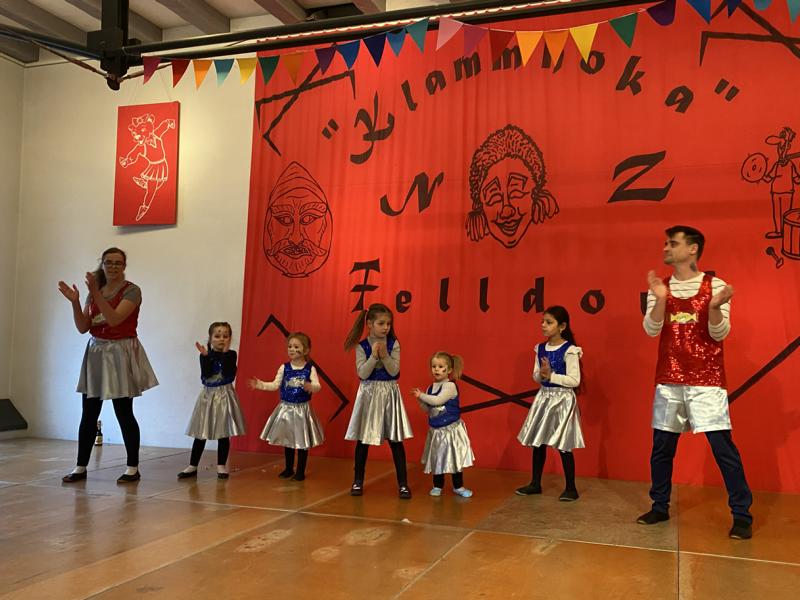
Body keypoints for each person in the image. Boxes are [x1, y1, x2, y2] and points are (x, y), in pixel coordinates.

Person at [637, 225, 753, 540]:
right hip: (669, 378)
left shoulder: (715, 285)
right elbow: (651, 329)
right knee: (662, 449)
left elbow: (720, 333)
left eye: (672, 243)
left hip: (707, 380)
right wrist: (660, 300)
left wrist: (713, 308)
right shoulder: (660, 287)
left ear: (692, 249)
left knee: (723, 449)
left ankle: (742, 514)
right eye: (665, 243)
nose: (665, 248)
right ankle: (659, 506)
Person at [58, 247, 158, 483]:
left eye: (117, 263)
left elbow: (114, 319)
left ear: (124, 266)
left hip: (119, 352)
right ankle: (80, 467)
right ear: (102, 264)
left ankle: (132, 468)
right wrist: (75, 302)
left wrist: (95, 292)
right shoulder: (95, 292)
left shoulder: (132, 290)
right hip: (96, 352)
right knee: (89, 412)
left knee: (124, 412)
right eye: (108, 262)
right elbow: (83, 327)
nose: (112, 266)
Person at [344, 303, 413, 498]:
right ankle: (357, 481)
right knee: (363, 440)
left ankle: (403, 484)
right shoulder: (362, 346)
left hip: (389, 393)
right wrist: (374, 357)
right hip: (369, 394)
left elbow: (394, 372)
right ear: (370, 324)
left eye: (388, 324)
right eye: (381, 323)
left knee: (395, 440)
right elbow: (362, 374)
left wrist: (385, 355)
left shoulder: (394, 344)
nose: (385, 327)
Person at [516, 306, 584, 501]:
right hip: (544, 397)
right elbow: (536, 376)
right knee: (538, 442)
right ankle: (535, 483)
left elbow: (574, 380)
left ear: (562, 326)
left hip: (563, 400)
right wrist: (542, 374)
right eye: (543, 322)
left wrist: (552, 376)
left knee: (564, 444)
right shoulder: (540, 348)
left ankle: (571, 488)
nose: (543, 325)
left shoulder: (570, 350)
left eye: (549, 322)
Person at [250, 332, 324, 481]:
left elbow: (318, 385)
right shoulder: (284, 368)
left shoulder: (310, 369)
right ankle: (289, 468)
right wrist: (260, 384)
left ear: (306, 350)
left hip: (302, 410)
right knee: (288, 440)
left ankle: (300, 471)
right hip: (286, 409)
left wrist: (312, 387)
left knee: (302, 441)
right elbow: (275, 385)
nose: (292, 349)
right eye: (290, 346)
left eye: (296, 347)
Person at [178, 322, 246, 480]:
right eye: (217, 336)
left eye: (225, 336)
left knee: (224, 432)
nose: (221, 339)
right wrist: (206, 357)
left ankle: (221, 465)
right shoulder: (205, 355)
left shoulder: (231, 354)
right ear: (210, 338)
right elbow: (207, 374)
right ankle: (193, 465)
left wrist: (225, 353)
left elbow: (229, 373)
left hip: (225, 395)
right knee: (201, 432)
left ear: (230, 338)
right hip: (208, 396)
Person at [412, 351, 475, 498]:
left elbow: (438, 400)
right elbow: (429, 410)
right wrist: (420, 400)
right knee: (437, 459)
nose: (436, 369)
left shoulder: (449, 386)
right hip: (437, 431)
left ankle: (458, 486)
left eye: (441, 367)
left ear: (449, 369)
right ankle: (437, 485)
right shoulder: (430, 388)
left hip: (451, 430)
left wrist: (422, 395)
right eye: (434, 366)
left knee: (455, 458)